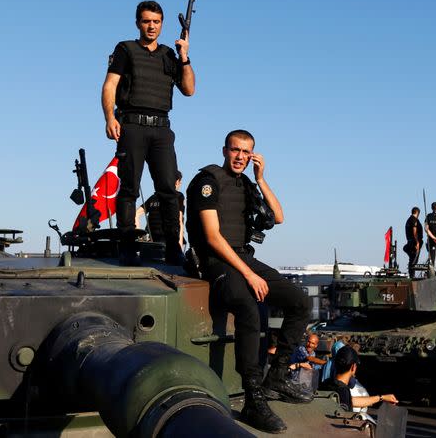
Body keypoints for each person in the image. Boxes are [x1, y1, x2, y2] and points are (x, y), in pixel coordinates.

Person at [186, 129, 311, 433]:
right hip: (215, 261)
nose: (240, 156)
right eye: (235, 150)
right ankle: (254, 399)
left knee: (301, 302)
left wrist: (261, 178)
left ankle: (277, 378)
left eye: (246, 151)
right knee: (247, 308)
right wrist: (249, 273)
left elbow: (278, 217)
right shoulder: (207, 181)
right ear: (225, 150)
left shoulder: (246, 185)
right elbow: (213, 238)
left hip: (243, 257)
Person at [102, 0, 195, 266]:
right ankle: (128, 246)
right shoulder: (125, 49)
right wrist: (110, 117)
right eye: (146, 21)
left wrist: (184, 56)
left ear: (162, 24)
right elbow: (110, 85)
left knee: (168, 189)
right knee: (129, 187)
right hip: (131, 125)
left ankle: (174, 247)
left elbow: (189, 90)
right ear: (138, 23)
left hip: (162, 129)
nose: (151, 26)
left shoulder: (170, 54)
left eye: (156, 22)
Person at [319, 346, 399, 412]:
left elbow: (352, 401)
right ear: (353, 367)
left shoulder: (326, 383)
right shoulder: (343, 390)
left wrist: (381, 397)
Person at [136, 171, 185, 250]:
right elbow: (179, 220)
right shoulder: (178, 196)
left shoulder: (154, 197)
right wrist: (178, 248)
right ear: (177, 182)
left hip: (151, 241)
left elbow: (136, 214)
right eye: (180, 181)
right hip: (168, 242)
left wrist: (140, 236)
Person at [403, 207, 424, 278]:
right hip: (414, 243)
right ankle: (412, 275)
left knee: (412, 260)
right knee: (414, 260)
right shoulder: (414, 220)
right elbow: (414, 232)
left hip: (410, 242)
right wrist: (417, 242)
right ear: (417, 213)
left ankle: (412, 274)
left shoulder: (409, 220)